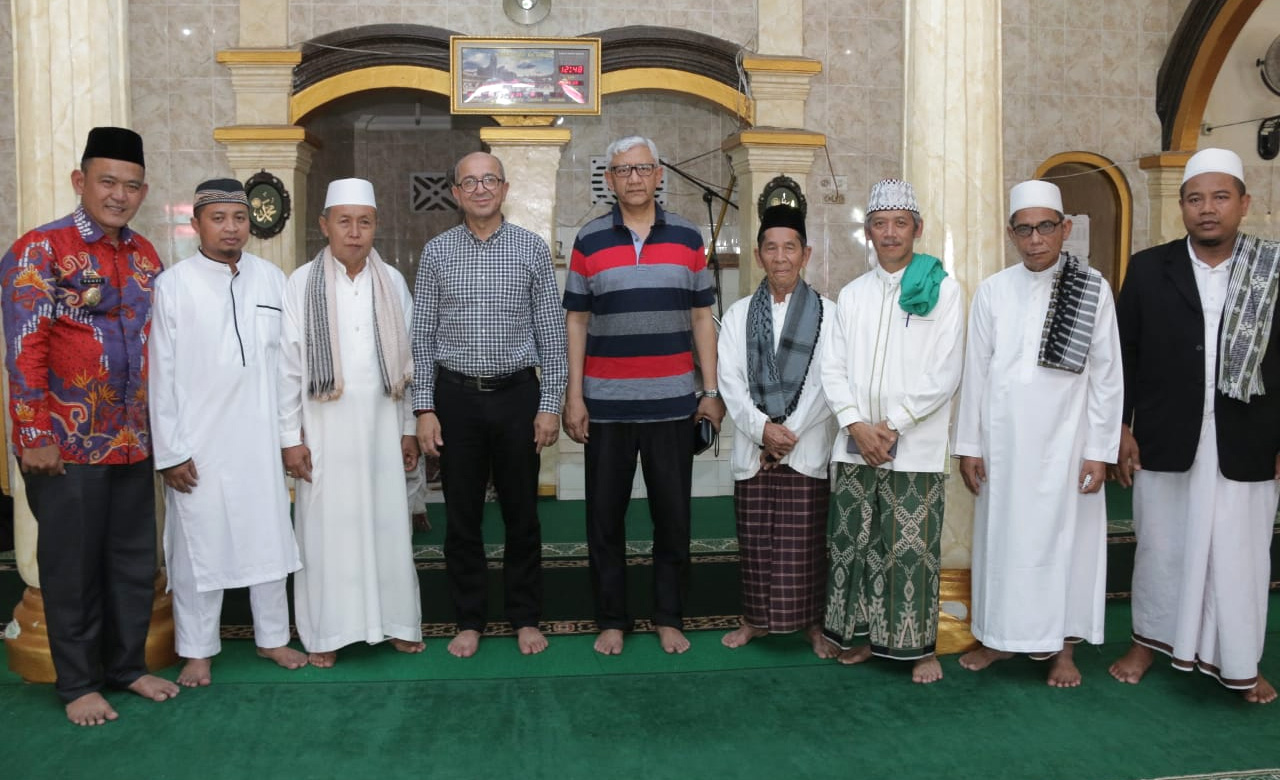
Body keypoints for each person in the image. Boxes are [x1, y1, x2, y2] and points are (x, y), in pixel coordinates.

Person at [0, 127, 179, 725]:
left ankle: (127, 668)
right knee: (71, 565)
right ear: (81, 182)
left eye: (131, 185)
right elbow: (25, 349)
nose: (119, 195)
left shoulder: (146, 255)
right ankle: (77, 685)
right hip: (66, 443)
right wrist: (34, 435)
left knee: (132, 560)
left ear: (143, 191)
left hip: (133, 440)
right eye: (107, 181)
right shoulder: (39, 250)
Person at [1108, 148, 1280, 704]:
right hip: (1166, 434)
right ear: (1181, 205)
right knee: (1162, 546)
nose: (1208, 209)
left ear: (1244, 203)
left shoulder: (1271, 269)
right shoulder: (1150, 267)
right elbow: (1123, 355)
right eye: (1195, 198)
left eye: (1220, 197)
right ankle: (1148, 642)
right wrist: (1121, 428)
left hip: (1249, 437)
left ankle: (1239, 659)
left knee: (1241, 552)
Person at [954, 179, 1123, 687]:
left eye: (1045, 227)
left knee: (1066, 546)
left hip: (1068, 445)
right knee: (1002, 544)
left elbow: (1107, 373)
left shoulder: (1091, 289)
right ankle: (998, 638)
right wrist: (969, 446)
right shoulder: (993, 290)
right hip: (1004, 445)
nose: (1035, 239)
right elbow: (976, 373)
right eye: (1024, 229)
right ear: (1011, 233)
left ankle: (1063, 648)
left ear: (1064, 228)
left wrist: (1099, 450)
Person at [563, 135, 725, 655]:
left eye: (642, 168)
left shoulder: (688, 235)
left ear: (659, 175)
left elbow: (703, 317)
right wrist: (575, 395)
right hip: (606, 406)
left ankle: (668, 615)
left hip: (673, 404)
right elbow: (577, 321)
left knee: (673, 517)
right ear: (608, 180)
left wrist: (710, 390)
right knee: (604, 519)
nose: (633, 178)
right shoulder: (588, 241)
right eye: (621, 170)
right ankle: (611, 618)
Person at [149, 178, 308, 687]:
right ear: (196, 224)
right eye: (218, 218)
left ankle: (273, 639)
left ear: (249, 224)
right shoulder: (173, 285)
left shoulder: (271, 280)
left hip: (259, 441)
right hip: (199, 445)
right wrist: (171, 452)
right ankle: (197, 650)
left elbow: (288, 368)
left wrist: (289, 436)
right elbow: (161, 375)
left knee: (267, 541)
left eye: (238, 218)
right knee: (199, 546)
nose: (231, 228)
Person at [413, 151, 567, 658]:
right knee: (462, 516)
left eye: (490, 181)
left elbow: (551, 335)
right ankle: (469, 619)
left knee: (523, 514)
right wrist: (424, 408)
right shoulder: (436, 253)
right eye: (469, 182)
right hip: (454, 399)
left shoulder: (531, 250)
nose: (480, 189)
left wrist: (549, 404)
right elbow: (422, 338)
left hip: (517, 397)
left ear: (504, 188)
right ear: (456, 193)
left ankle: (525, 616)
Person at [820, 179, 965, 683]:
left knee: (910, 549)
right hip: (856, 443)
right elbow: (832, 368)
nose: (889, 233)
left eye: (899, 224)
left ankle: (919, 647)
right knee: (856, 544)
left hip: (915, 446)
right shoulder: (852, 294)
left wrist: (893, 425)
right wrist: (857, 425)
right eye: (879, 224)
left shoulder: (941, 289)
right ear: (868, 233)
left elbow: (945, 372)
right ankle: (867, 638)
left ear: (917, 229)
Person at [279, 178, 424, 667]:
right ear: (325, 226)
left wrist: (407, 427)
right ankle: (326, 632)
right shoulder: (301, 283)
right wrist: (288, 439)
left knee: (389, 525)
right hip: (323, 433)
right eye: (344, 221)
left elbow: (408, 364)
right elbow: (289, 369)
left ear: (376, 225)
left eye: (364, 222)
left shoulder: (393, 284)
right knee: (326, 532)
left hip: (383, 430)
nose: (355, 232)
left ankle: (398, 624)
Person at [717, 205, 837, 658]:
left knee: (805, 541)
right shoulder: (738, 314)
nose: (781, 257)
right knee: (755, 540)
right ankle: (754, 620)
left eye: (790, 248)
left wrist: (790, 430)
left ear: (805, 254)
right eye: (772, 248)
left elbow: (830, 381)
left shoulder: (829, 312)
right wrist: (762, 429)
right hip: (756, 447)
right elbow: (729, 380)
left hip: (805, 448)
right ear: (758, 254)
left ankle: (812, 624)